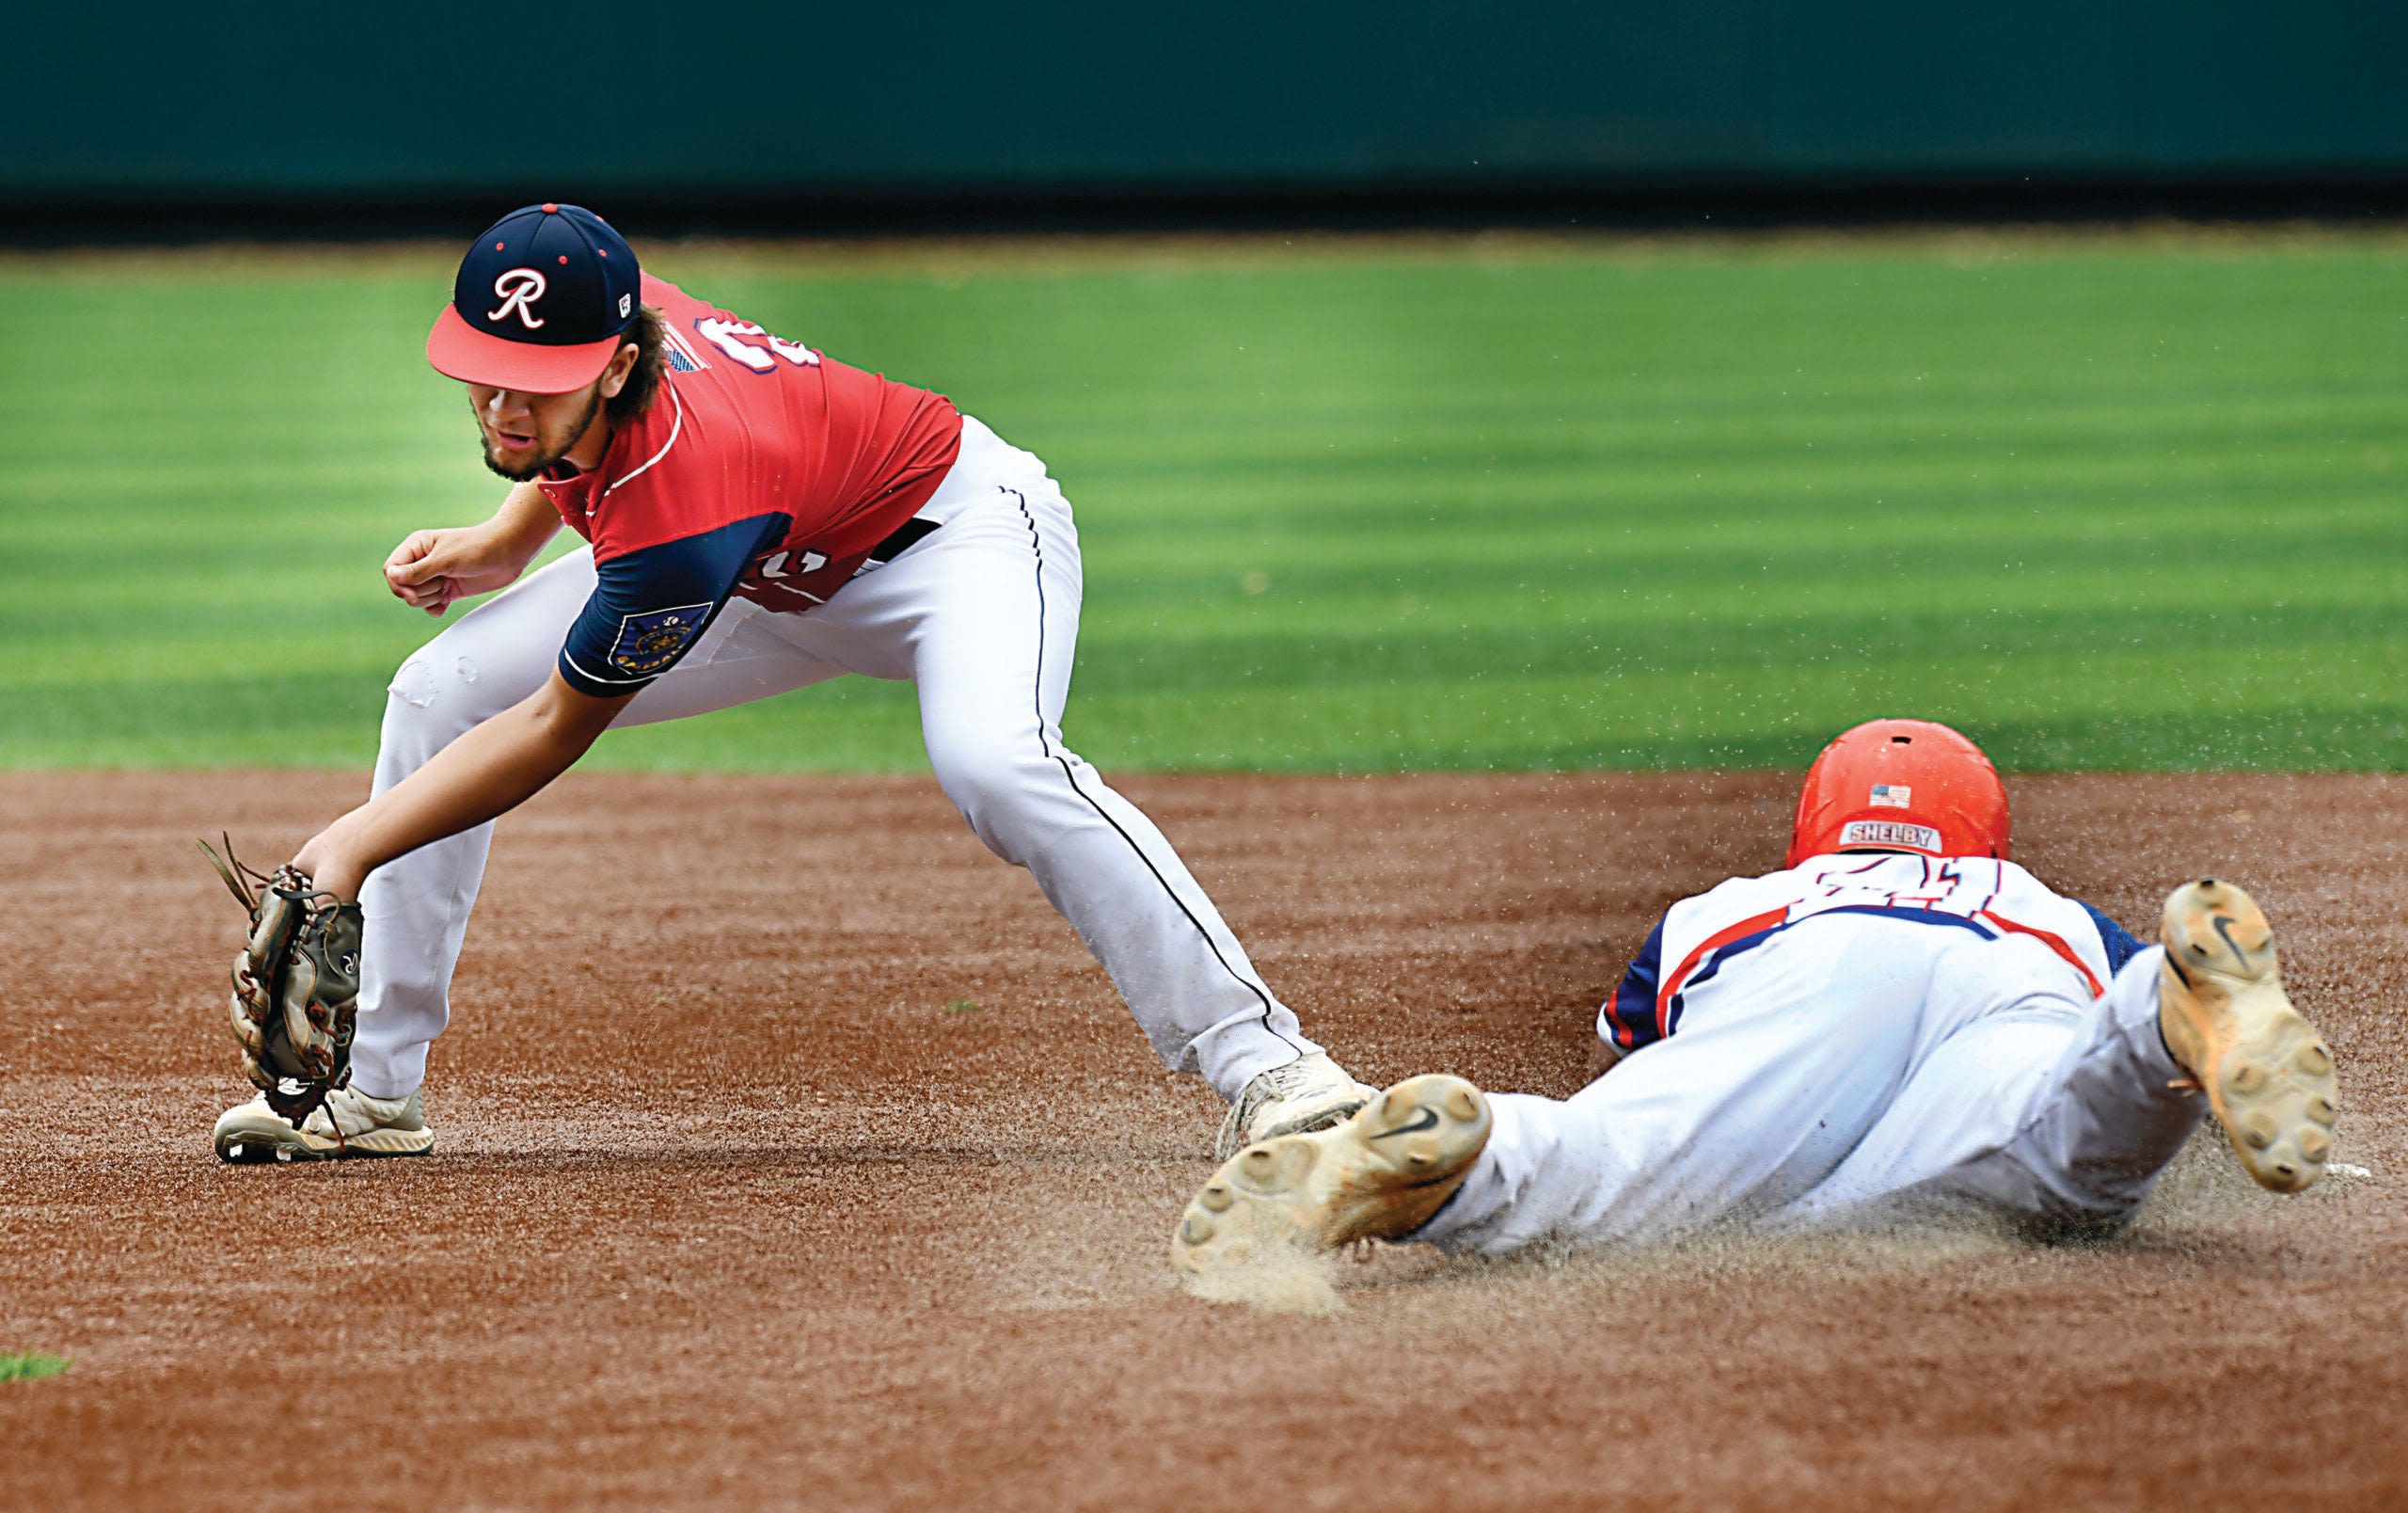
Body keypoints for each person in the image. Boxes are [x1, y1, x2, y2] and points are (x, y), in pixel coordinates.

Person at [212, 203, 1373, 1162]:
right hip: (770, 570)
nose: (505, 407)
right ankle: (373, 1090)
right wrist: (510, 540)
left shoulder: (683, 497)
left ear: (617, 365)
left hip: (954, 541)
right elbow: (562, 450)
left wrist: (350, 848)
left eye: (538, 383)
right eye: (486, 377)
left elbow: (555, 724)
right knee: (436, 688)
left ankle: (1269, 1064)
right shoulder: (613, 313)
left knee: (999, 767)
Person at [1170, 718, 2342, 1277]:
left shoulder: (1736, 904)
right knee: (2070, 1152)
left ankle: (1467, 1162)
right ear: (1981, 832)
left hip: (1802, 980)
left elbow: (1627, 1059)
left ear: (1815, 830)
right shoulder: (2041, 903)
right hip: (2015, 982)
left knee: (1615, 1156)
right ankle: (2168, 1016)